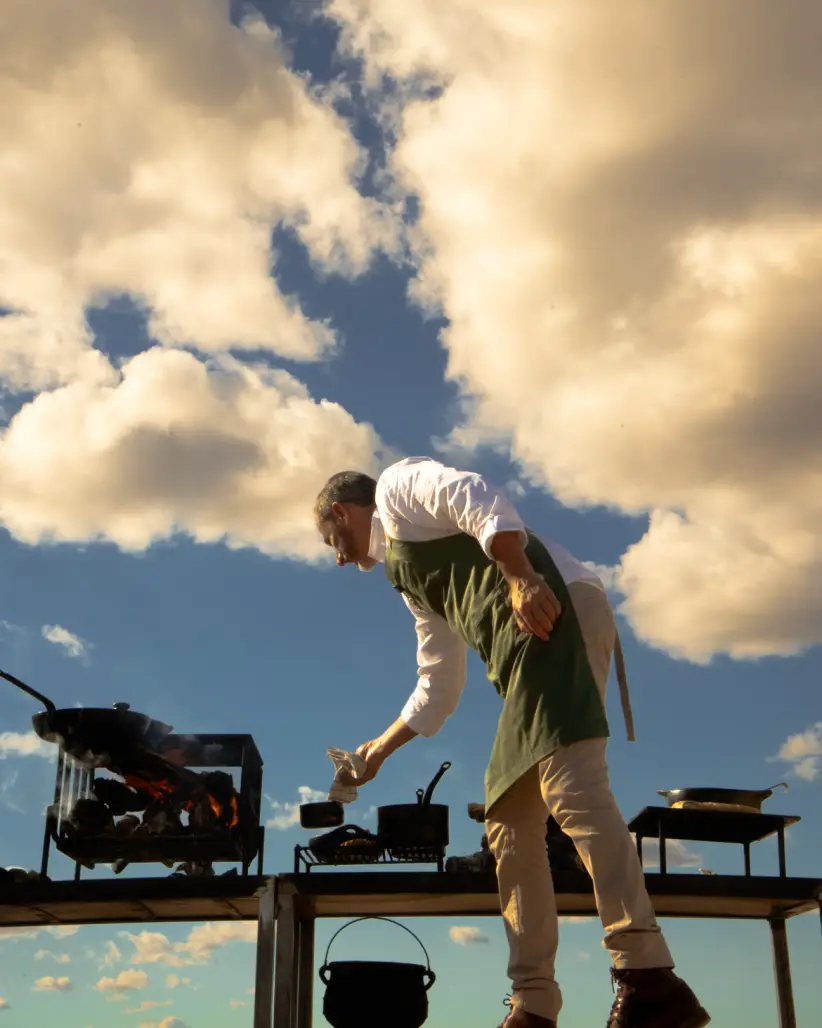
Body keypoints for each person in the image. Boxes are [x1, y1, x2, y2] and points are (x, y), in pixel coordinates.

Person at [314, 455, 710, 1028]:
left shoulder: (400, 488)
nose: (338, 556)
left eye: (332, 539)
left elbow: (473, 494)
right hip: (526, 659)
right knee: (508, 823)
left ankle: (649, 979)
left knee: (573, 790)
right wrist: (376, 752)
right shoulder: (408, 576)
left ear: (340, 512)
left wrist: (522, 576)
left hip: (554, 613)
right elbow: (439, 684)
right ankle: (534, 1003)